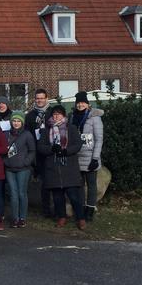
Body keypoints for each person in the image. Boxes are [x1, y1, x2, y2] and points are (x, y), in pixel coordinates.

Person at [37, 105, 86, 229]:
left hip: (69, 167)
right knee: (58, 197)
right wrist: (51, 149)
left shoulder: (72, 128)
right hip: (53, 168)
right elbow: (40, 147)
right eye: (54, 114)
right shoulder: (47, 130)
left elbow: (78, 144)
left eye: (59, 114)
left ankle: (80, 218)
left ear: (64, 115)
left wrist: (66, 151)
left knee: (74, 196)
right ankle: (61, 217)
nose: (56, 116)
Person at [70, 91, 104, 222]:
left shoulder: (95, 118)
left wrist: (95, 158)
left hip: (90, 157)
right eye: (78, 103)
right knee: (79, 185)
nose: (80, 105)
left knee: (91, 185)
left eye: (83, 102)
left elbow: (99, 139)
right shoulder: (72, 117)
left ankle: (90, 209)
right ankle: (80, 208)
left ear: (87, 104)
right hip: (77, 157)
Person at [25, 89, 54, 218]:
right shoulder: (30, 115)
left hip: (51, 151)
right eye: (37, 98)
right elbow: (27, 134)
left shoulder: (52, 113)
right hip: (37, 153)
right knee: (43, 182)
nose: (39, 100)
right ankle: (46, 209)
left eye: (42, 98)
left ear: (46, 98)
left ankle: (57, 207)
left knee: (52, 181)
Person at [3, 112, 36, 228]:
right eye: (14, 121)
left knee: (22, 193)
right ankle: (15, 218)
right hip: (9, 168)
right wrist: (5, 162)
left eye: (18, 121)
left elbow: (32, 151)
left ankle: (22, 218)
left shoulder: (27, 134)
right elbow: (3, 150)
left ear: (22, 122)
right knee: (13, 194)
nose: (16, 123)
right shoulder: (6, 134)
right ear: (11, 122)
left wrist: (26, 162)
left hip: (23, 169)